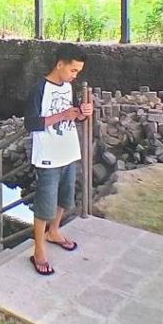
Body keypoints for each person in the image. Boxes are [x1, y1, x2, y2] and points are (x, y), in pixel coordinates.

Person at [23, 45, 93, 276]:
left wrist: (82, 113)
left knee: (65, 197)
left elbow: (73, 117)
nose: (75, 75)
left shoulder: (68, 86)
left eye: (78, 72)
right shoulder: (39, 89)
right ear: (59, 64)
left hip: (69, 151)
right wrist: (63, 115)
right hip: (48, 156)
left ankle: (54, 232)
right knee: (45, 205)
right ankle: (39, 249)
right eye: (73, 70)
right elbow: (31, 123)